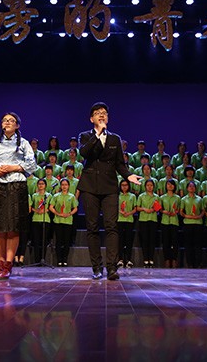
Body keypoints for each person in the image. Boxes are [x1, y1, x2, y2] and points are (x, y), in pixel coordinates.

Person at [78, 102, 140, 280]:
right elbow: (85, 153)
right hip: (90, 186)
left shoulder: (115, 139)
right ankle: (96, 267)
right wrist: (97, 134)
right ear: (92, 119)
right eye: (97, 113)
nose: (101, 115)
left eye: (104, 112)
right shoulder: (85, 136)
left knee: (112, 226)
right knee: (92, 227)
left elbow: (120, 164)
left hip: (110, 186)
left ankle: (112, 267)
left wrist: (128, 176)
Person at [0, 112, 37, 280]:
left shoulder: (24, 143)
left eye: (11, 121)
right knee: (0, 228)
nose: (7, 122)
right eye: (5, 120)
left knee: (12, 227)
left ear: (17, 126)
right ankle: (0, 264)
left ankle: (8, 265)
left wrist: (14, 167)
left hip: (16, 185)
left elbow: (32, 163)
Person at [49, 178, 78, 266]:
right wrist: (57, 213)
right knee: (58, 241)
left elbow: (75, 208)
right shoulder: (56, 196)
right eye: (62, 185)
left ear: (68, 186)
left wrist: (69, 214)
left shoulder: (72, 196)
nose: (64, 186)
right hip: (58, 221)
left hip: (68, 221)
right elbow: (51, 207)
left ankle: (65, 259)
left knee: (66, 241)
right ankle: (59, 259)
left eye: (66, 185)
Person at [117, 180, 137, 269]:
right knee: (120, 240)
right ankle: (120, 259)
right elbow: (115, 206)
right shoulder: (118, 196)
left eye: (126, 185)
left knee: (129, 240)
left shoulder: (132, 196)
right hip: (120, 220)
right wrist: (121, 212)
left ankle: (128, 259)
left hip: (129, 220)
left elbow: (135, 208)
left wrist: (129, 213)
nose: (124, 187)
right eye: (122, 185)